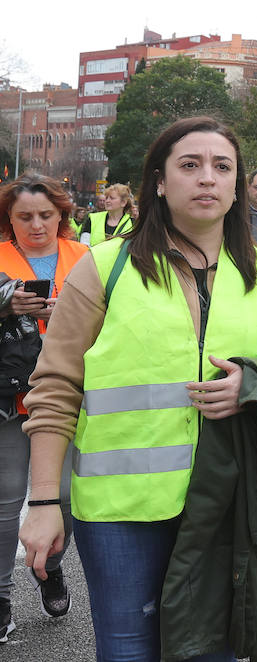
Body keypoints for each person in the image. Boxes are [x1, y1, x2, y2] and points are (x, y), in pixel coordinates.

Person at [18, 116, 257, 661]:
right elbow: (56, 388)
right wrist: (43, 501)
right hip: (120, 513)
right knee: (129, 651)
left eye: (221, 167)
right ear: (159, 181)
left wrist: (255, 387)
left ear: (235, 186)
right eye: (189, 165)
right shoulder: (104, 269)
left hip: (228, 505)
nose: (207, 177)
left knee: (212, 652)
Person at [0, 173, 89, 641]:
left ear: (61, 215)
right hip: (10, 397)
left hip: (71, 390)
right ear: (9, 220)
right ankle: (0, 599)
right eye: (24, 217)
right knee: (6, 500)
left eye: (46, 215)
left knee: (66, 501)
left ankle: (49, 566)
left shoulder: (84, 257)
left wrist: (70, 314)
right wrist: (5, 306)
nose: (36, 225)